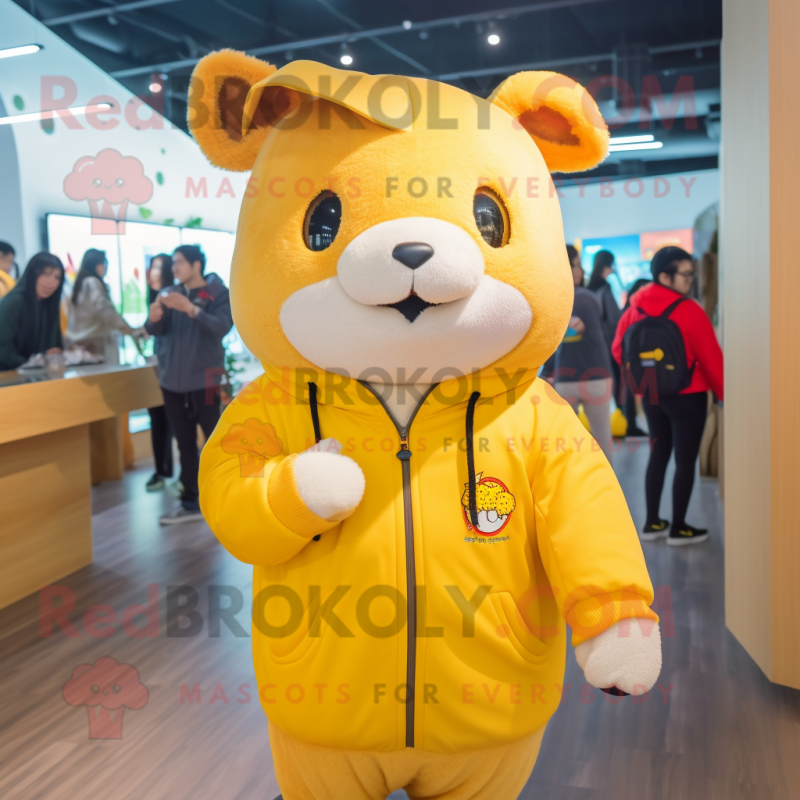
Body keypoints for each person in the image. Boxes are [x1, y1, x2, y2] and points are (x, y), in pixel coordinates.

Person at [613, 246, 724, 546]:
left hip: (650, 395)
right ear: (665, 276)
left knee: (658, 454)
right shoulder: (689, 310)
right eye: (685, 274)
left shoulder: (634, 309)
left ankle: (651, 523)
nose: (690, 280)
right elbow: (711, 359)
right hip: (688, 395)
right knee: (686, 461)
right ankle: (679, 528)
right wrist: (724, 395)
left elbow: (618, 350)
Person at [145, 244, 233, 524]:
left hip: (206, 380)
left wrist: (192, 310)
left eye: (180, 262)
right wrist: (153, 318)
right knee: (184, 444)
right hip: (171, 381)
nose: (175, 268)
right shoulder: (168, 294)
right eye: (174, 264)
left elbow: (222, 327)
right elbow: (154, 331)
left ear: (197, 265)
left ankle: (226, 493)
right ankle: (190, 501)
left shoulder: (219, 293)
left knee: (215, 439)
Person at [553, 245, 615, 463]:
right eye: (575, 265)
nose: (579, 271)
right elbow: (601, 336)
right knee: (603, 440)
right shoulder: (587, 298)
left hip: (563, 378)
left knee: (568, 445)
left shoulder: (551, 300)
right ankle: (608, 493)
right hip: (596, 375)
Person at [66, 249, 145, 362]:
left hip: (79, 344)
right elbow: (106, 310)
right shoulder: (93, 282)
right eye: (104, 263)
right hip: (94, 345)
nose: (105, 267)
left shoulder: (80, 284)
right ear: (97, 265)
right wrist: (129, 329)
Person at [0, 252, 64, 370]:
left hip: (34, 375)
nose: (51, 281)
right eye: (46, 274)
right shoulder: (12, 303)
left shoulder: (48, 304)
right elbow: (3, 351)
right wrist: (34, 363)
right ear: (33, 274)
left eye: (57, 277)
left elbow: (53, 345)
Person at [145, 254, 175, 492]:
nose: (152, 271)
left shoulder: (168, 295)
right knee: (160, 418)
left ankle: (165, 471)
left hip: (171, 371)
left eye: (158, 267)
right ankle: (163, 470)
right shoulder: (157, 295)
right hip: (161, 368)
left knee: (164, 420)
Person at [587, 249, 622, 406]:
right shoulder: (605, 288)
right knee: (619, 379)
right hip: (610, 340)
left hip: (594, 342)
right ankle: (625, 418)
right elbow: (614, 318)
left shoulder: (589, 288)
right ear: (607, 265)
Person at [620, 277, 652, 437]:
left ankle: (631, 425)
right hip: (634, 359)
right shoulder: (635, 311)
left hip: (630, 358)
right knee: (632, 393)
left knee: (631, 392)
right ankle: (631, 425)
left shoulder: (629, 310)